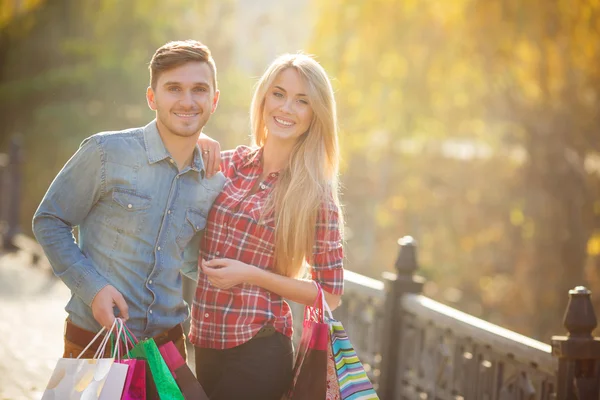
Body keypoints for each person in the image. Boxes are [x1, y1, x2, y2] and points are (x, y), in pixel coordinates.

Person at [32, 40, 224, 361]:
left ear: (214, 100)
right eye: (174, 88)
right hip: (96, 343)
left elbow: (192, 261)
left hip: (168, 350)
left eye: (199, 90)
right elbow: (49, 220)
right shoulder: (106, 152)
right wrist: (93, 290)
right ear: (152, 97)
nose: (187, 101)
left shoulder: (213, 180)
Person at [189, 53, 345, 400]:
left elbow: (330, 293)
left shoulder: (315, 195)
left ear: (314, 114)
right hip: (205, 341)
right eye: (279, 94)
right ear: (263, 98)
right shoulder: (230, 165)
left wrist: (250, 274)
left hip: (259, 348)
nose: (286, 108)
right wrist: (192, 141)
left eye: (302, 100)